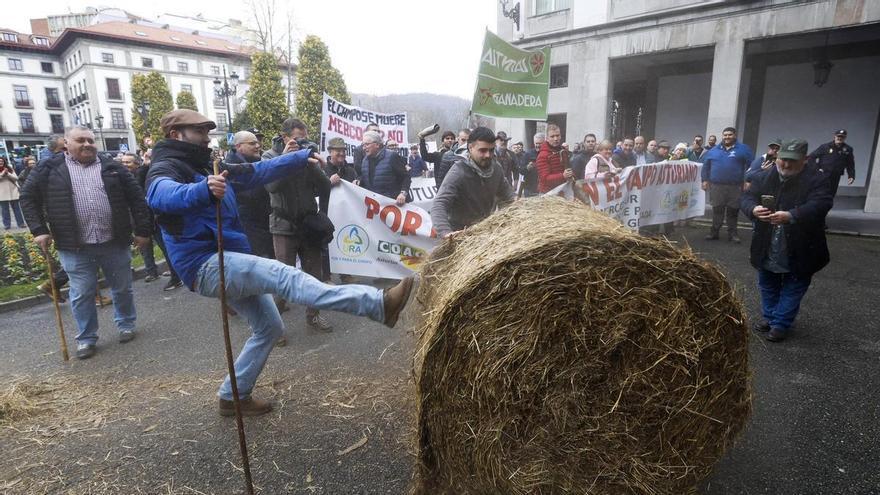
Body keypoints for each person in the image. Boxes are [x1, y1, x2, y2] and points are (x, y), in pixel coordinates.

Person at [146, 109, 414, 416]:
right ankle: (378, 305)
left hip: (228, 256)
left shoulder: (210, 164)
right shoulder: (165, 167)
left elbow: (259, 172)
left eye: (207, 132)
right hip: (205, 264)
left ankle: (233, 396)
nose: (207, 138)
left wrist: (299, 158)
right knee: (288, 278)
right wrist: (200, 190)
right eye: (199, 132)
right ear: (176, 135)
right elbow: (159, 195)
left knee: (269, 327)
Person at [20, 126, 152, 359]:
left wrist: (142, 230)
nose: (87, 144)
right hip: (74, 245)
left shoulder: (112, 166)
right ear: (66, 144)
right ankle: (86, 338)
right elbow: (28, 198)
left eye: (90, 140)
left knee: (122, 287)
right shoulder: (49, 168)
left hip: (114, 240)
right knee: (81, 292)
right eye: (80, 140)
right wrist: (39, 230)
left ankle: (126, 324)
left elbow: (137, 199)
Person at [741, 138, 832, 342]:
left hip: (801, 245)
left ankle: (780, 323)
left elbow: (821, 203)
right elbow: (747, 198)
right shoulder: (764, 177)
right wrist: (753, 209)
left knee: (794, 284)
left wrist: (792, 215)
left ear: (805, 160)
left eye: (793, 161)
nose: (787, 165)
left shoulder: (817, 180)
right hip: (767, 243)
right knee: (767, 282)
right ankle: (770, 316)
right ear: (777, 157)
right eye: (783, 160)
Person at [264, 126, 333, 334]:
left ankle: (313, 315)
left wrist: (313, 164)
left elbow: (325, 187)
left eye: (304, 139)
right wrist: (286, 160)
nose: (301, 142)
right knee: (283, 277)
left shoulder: (307, 155)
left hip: (308, 224)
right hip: (283, 226)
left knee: (314, 274)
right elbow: (271, 187)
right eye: (297, 139)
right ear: (285, 137)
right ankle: (273, 327)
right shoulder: (270, 156)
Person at [431, 127, 515, 238]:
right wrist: (446, 232)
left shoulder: (496, 169)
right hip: (460, 235)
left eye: (491, 150)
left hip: (484, 233)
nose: (488, 155)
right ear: (470, 147)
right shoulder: (459, 171)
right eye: (483, 150)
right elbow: (439, 204)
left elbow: (509, 198)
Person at [701, 127, 754, 243]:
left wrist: (748, 180)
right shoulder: (714, 150)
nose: (727, 137)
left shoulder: (744, 149)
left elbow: (751, 166)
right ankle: (714, 232)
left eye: (730, 135)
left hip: (735, 186)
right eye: (725, 135)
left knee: (733, 211)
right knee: (717, 210)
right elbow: (706, 166)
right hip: (716, 186)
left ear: (735, 135)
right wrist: (704, 180)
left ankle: (733, 234)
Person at [228, 130, 274, 259]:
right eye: (252, 143)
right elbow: (249, 196)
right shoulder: (231, 167)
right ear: (238, 146)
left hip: (263, 224)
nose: (258, 146)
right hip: (250, 227)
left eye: (258, 142)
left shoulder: (257, 161)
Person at [356, 131, 411, 205]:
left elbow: (406, 177)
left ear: (377, 145)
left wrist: (403, 193)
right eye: (363, 145)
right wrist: (359, 182)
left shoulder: (392, 156)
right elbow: (367, 181)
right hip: (377, 207)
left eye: (367, 144)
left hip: (394, 205)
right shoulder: (364, 161)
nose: (364, 147)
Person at [807, 129, 855, 199]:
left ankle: (826, 208)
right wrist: (817, 169)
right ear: (834, 136)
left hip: (835, 176)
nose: (840, 138)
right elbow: (811, 157)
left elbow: (850, 164)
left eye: (842, 137)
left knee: (831, 194)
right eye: (838, 136)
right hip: (823, 174)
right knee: (819, 193)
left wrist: (851, 175)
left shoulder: (847, 149)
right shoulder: (825, 147)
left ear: (845, 138)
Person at [536, 124, 571, 193]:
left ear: (560, 136)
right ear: (547, 138)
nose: (555, 139)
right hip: (548, 193)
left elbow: (568, 169)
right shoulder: (542, 156)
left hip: (562, 190)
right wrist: (563, 176)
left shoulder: (563, 151)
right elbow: (545, 179)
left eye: (557, 135)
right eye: (552, 136)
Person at [0, 157, 25, 230]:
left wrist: (8, 174)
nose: (0, 162)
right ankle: (7, 225)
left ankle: (21, 223)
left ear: (4, 162)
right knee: (5, 210)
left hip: (13, 191)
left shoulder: (9, 168)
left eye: (1, 161)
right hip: (2, 192)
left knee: (17, 209)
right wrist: (2, 174)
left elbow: (16, 178)